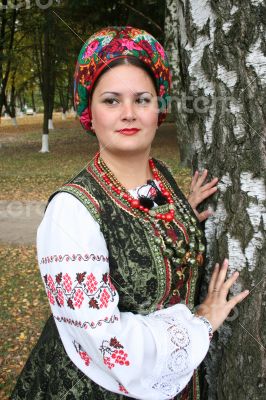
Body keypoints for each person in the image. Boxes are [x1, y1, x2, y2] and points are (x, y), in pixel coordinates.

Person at [11, 26, 249, 400]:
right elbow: (109, 345)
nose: (128, 114)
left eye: (142, 99)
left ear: (159, 107)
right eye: (110, 100)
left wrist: (179, 220)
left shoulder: (160, 180)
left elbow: (143, 219)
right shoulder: (71, 213)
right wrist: (201, 321)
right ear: (88, 111)